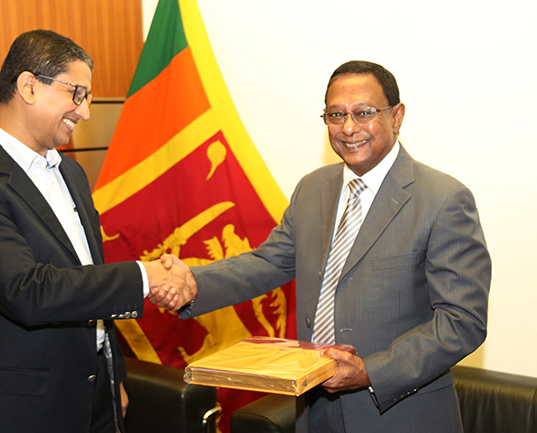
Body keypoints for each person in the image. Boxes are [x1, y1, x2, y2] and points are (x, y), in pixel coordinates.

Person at [173, 60, 490, 432]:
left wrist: (370, 372)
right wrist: (192, 283)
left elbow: (462, 321)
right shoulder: (312, 188)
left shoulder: (443, 198)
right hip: (315, 409)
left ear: (397, 116)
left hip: (399, 413)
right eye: (336, 115)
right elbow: (269, 261)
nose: (349, 127)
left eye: (364, 113)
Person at [0, 29, 195, 433]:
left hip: (95, 395)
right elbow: (28, 290)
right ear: (28, 86)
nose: (85, 111)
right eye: (77, 94)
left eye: (87, 97)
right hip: (20, 412)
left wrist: (114, 375)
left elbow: (87, 281)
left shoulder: (70, 171)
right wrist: (145, 277)